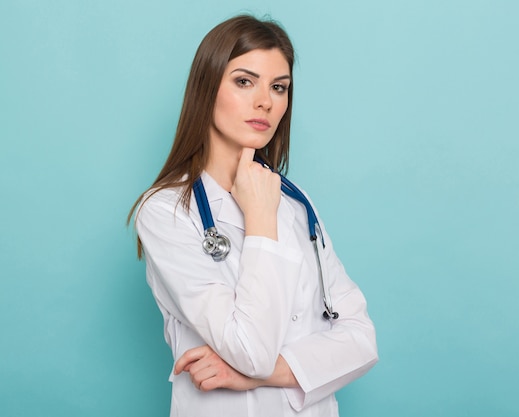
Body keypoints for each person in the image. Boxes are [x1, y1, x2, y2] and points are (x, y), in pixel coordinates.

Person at [129, 14, 378, 417]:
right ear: (207, 88)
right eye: (244, 81)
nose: (265, 100)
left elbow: (362, 341)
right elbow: (251, 350)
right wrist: (261, 219)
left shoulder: (297, 204)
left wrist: (257, 375)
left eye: (279, 88)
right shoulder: (167, 212)